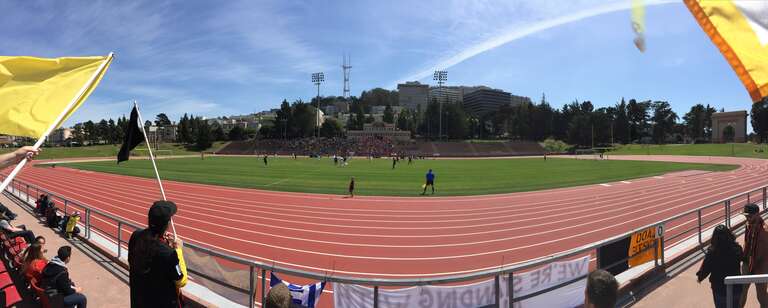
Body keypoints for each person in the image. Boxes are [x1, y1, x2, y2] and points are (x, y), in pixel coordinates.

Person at [128, 200, 187, 308]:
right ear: (167, 224)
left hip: (139, 300)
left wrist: (163, 242)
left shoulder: (135, 236)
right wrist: (178, 251)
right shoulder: (169, 254)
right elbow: (181, 281)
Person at [697, 225, 743, 308]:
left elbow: (706, 267)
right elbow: (743, 258)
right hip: (736, 287)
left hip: (720, 289)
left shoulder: (712, 252)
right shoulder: (737, 249)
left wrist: (700, 277)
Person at [740, 203, 768, 307]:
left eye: (749, 216)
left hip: (760, 266)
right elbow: (747, 243)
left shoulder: (765, 230)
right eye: (746, 216)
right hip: (747, 263)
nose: (747, 218)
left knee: (761, 295)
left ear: (757, 214)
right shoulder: (748, 225)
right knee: (742, 291)